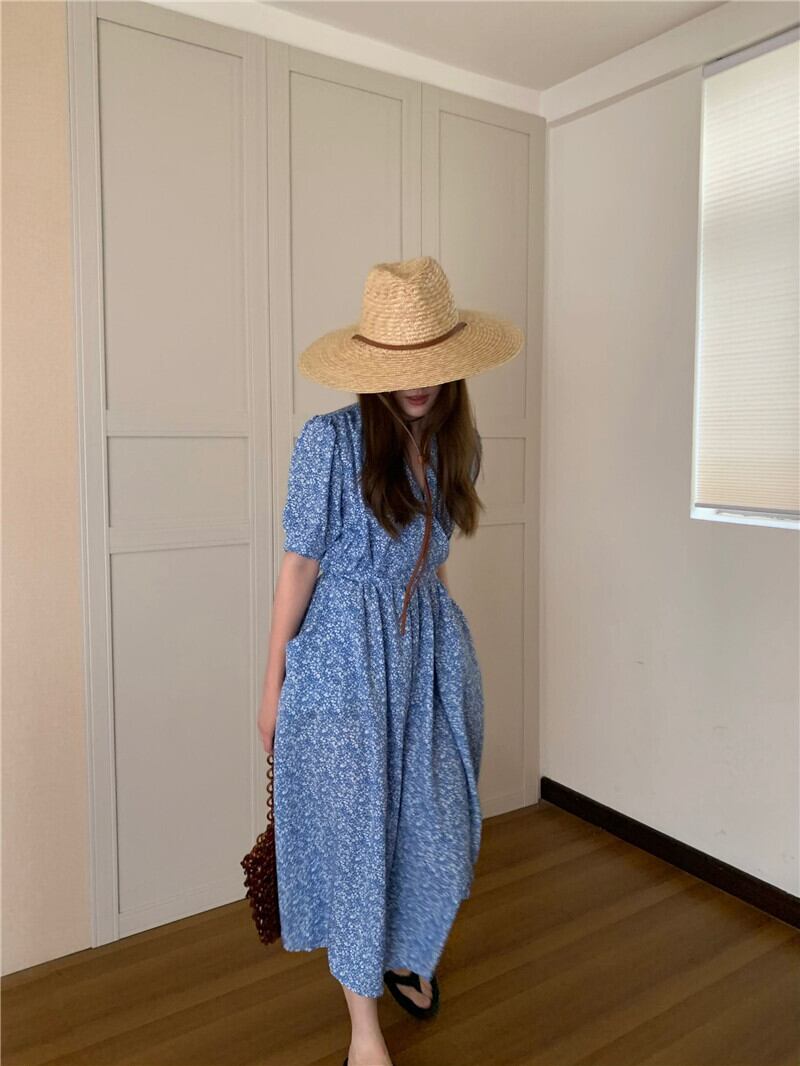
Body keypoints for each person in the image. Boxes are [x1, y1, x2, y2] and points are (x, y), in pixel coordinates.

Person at [257, 256, 524, 1066]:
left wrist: (442, 649)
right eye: (401, 363)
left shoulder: (455, 445)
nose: (417, 381)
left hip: (427, 652)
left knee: (435, 821)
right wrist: (271, 685)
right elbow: (299, 567)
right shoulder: (329, 442)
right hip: (343, 662)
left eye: (431, 362)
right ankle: (364, 1030)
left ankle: (407, 950)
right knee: (357, 839)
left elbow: (431, 561)